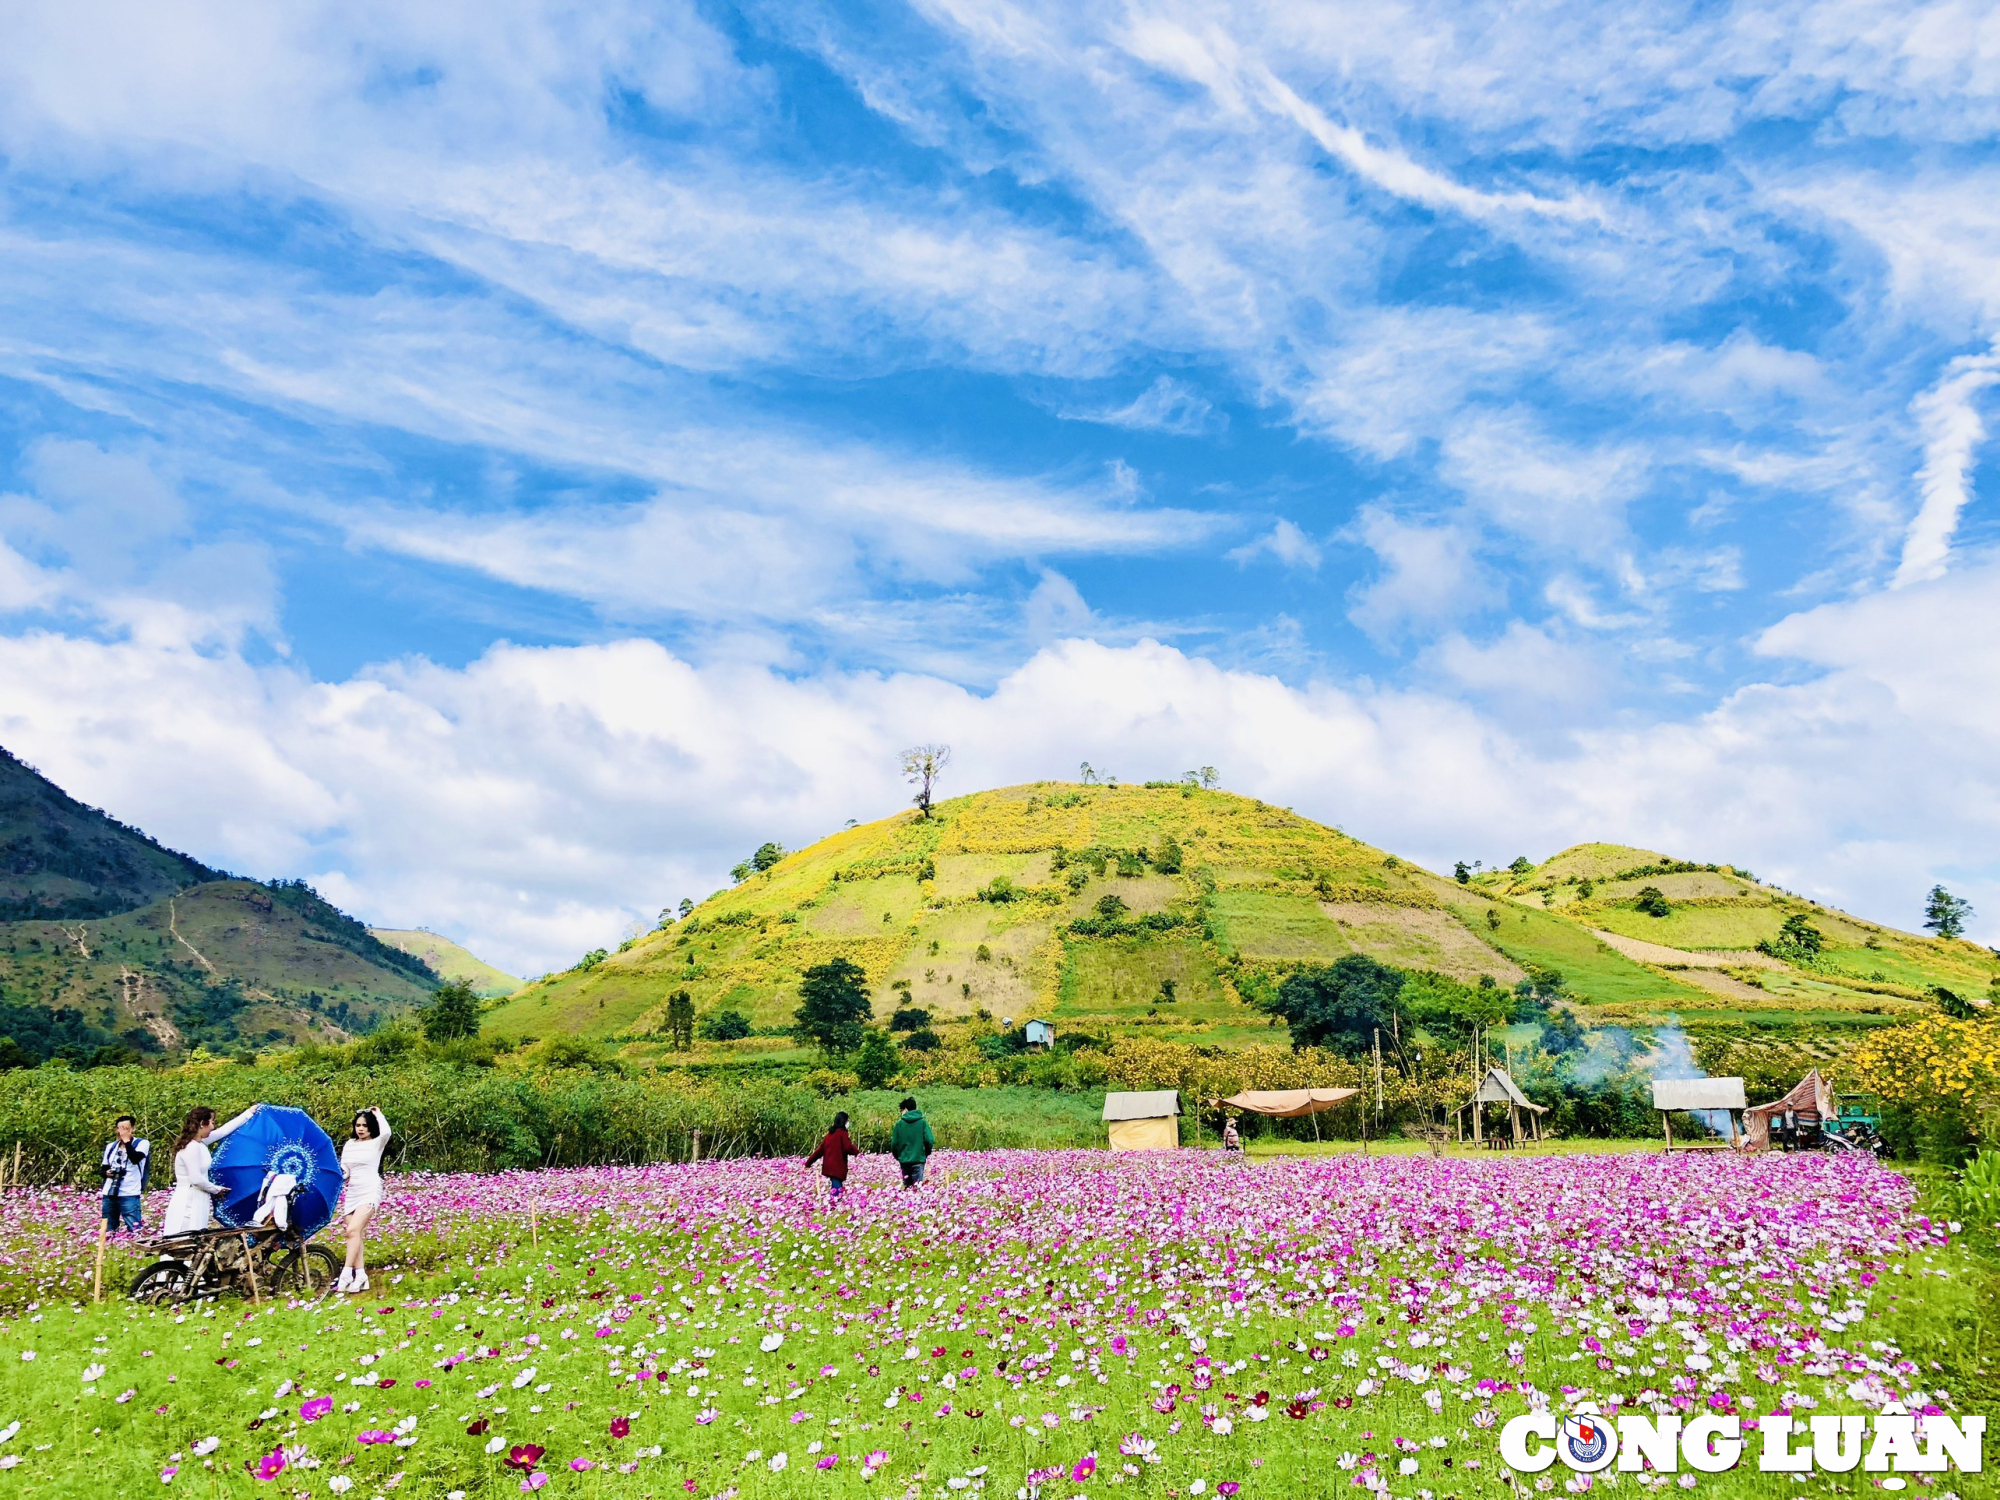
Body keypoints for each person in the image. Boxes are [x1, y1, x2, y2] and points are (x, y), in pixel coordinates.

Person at [161, 1104, 260, 1237]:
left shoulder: (199, 1143)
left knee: (197, 1236)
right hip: (189, 1199)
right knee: (186, 1235)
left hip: (198, 1196)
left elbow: (223, 1131)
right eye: (212, 1122)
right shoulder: (192, 1147)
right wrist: (215, 1189)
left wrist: (248, 1113)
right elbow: (195, 1178)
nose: (213, 1126)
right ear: (203, 1123)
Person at [336, 1106, 391, 1293]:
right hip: (352, 1192)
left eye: (365, 1126)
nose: (361, 1129)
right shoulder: (349, 1145)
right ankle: (360, 1275)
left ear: (371, 1128)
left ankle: (345, 1273)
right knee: (355, 1234)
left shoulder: (376, 1143)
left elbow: (387, 1132)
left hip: (370, 1190)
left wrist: (377, 1113)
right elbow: (346, 1170)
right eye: (358, 1125)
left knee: (352, 1230)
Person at [99, 1115, 151, 1235]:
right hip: (109, 1192)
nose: (122, 1132)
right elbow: (103, 1169)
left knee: (135, 1230)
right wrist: (107, 1173)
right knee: (108, 1230)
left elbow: (135, 1158)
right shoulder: (111, 1147)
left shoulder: (142, 1143)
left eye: (126, 1128)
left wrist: (127, 1141)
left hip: (130, 1192)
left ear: (133, 1129)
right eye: (119, 1128)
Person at [805, 1111, 857, 1205]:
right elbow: (847, 1147)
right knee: (837, 1186)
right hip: (837, 1165)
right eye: (847, 1120)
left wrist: (809, 1162)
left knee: (835, 1182)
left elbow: (819, 1150)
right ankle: (835, 1202)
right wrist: (856, 1151)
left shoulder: (830, 1134)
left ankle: (835, 1201)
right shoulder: (842, 1133)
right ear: (844, 1122)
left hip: (829, 1165)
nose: (848, 1122)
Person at [889, 1096, 934, 1190]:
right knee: (917, 1190)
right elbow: (929, 1140)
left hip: (904, 1161)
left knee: (908, 1190)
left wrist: (899, 1156)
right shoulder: (922, 1123)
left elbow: (894, 1145)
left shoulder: (899, 1124)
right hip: (918, 1160)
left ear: (905, 1109)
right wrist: (925, 1153)